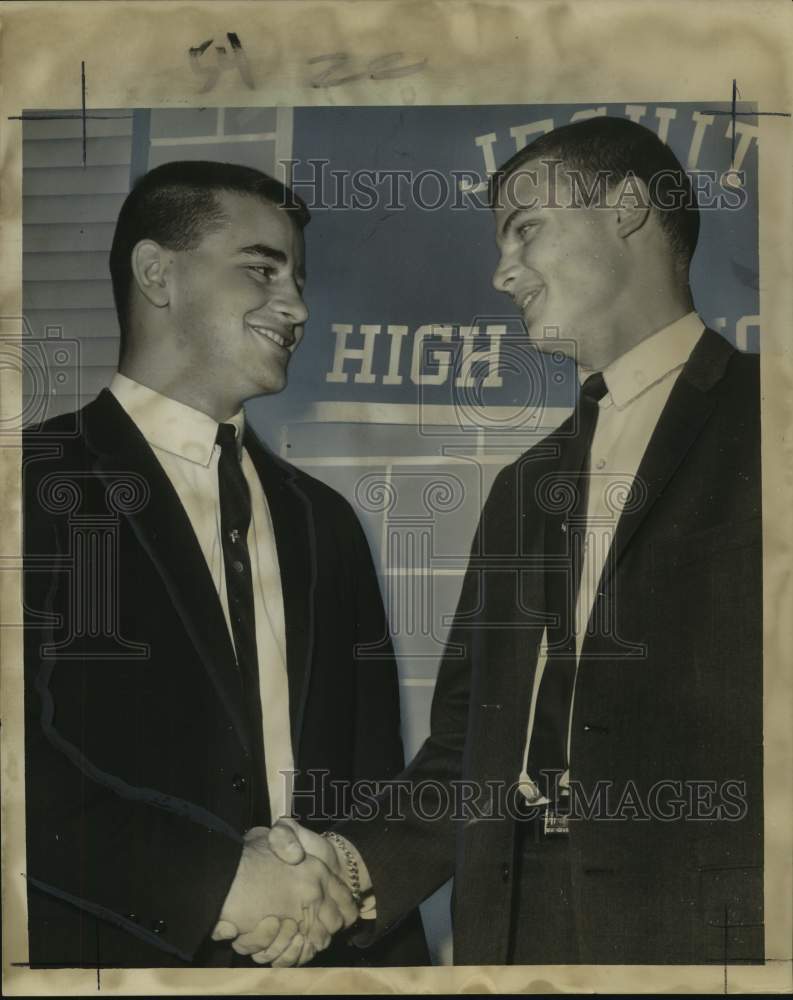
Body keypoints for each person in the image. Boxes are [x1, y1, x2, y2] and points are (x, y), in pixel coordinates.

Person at [233, 116, 763, 966]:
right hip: (514, 943)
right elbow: (464, 758)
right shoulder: (522, 488)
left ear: (627, 208)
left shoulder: (768, 424)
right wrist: (344, 872)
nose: (500, 270)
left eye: (524, 229)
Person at [22, 160, 428, 968]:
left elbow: (373, 785)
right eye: (260, 270)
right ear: (156, 274)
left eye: (300, 280)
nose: (298, 307)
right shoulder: (31, 482)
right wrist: (212, 883)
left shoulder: (327, 525)